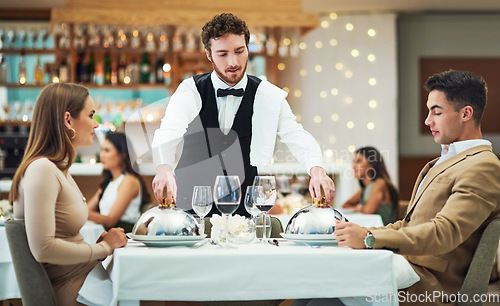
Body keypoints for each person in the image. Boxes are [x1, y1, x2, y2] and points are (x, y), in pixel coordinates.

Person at [334, 70, 500, 305]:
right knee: (321, 289)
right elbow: (409, 224)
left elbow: (444, 232)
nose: (427, 120)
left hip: (429, 285)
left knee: (327, 292)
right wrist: (360, 232)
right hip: (408, 267)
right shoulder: (442, 161)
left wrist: (370, 238)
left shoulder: (483, 165)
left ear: (466, 113)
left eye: (437, 112)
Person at [151, 13, 335, 216]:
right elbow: (169, 130)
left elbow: (295, 134)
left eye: (239, 51)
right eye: (222, 54)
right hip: (192, 205)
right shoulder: (190, 90)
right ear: (209, 54)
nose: (233, 62)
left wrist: (317, 169)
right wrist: (163, 168)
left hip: (244, 208)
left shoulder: (267, 94)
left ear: (248, 48)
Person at [8, 83, 128, 305]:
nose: (96, 123)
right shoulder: (42, 169)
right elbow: (44, 249)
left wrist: (99, 250)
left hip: (86, 280)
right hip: (76, 290)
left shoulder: (57, 169)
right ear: (67, 120)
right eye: (91, 115)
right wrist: (103, 248)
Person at [87, 132, 151, 233]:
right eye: (102, 150)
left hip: (124, 236)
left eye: (107, 151)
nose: (102, 155)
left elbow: (110, 220)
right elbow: (87, 209)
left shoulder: (129, 181)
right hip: (108, 234)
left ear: (123, 155)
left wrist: (81, 213)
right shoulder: (109, 182)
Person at [342, 146, 399, 225]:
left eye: (358, 161)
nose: (353, 166)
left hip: (385, 232)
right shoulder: (366, 188)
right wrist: (361, 208)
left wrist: (359, 208)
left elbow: (369, 210)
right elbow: (345, 205)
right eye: (353, 162)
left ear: (371, 164)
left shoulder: (380, 183)